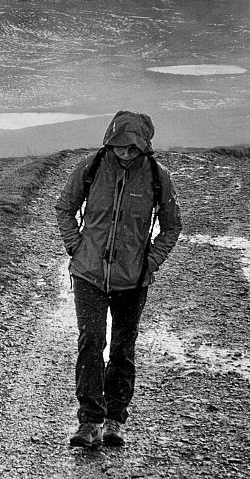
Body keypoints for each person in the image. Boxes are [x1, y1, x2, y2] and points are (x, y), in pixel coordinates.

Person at [55, 110, 182, 448]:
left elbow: (172, 227)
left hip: (133, 280)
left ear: (145, 148)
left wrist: (151, 262)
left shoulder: (158, 177)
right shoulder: (90, 167)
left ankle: (114, 419)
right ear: (109, 143)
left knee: (123, 350)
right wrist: (76, 246)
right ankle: (90, 422)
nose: (125, 153)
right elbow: (64, 208)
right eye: (119, 147)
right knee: (91, 342)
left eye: (132, 149)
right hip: (88, 274)